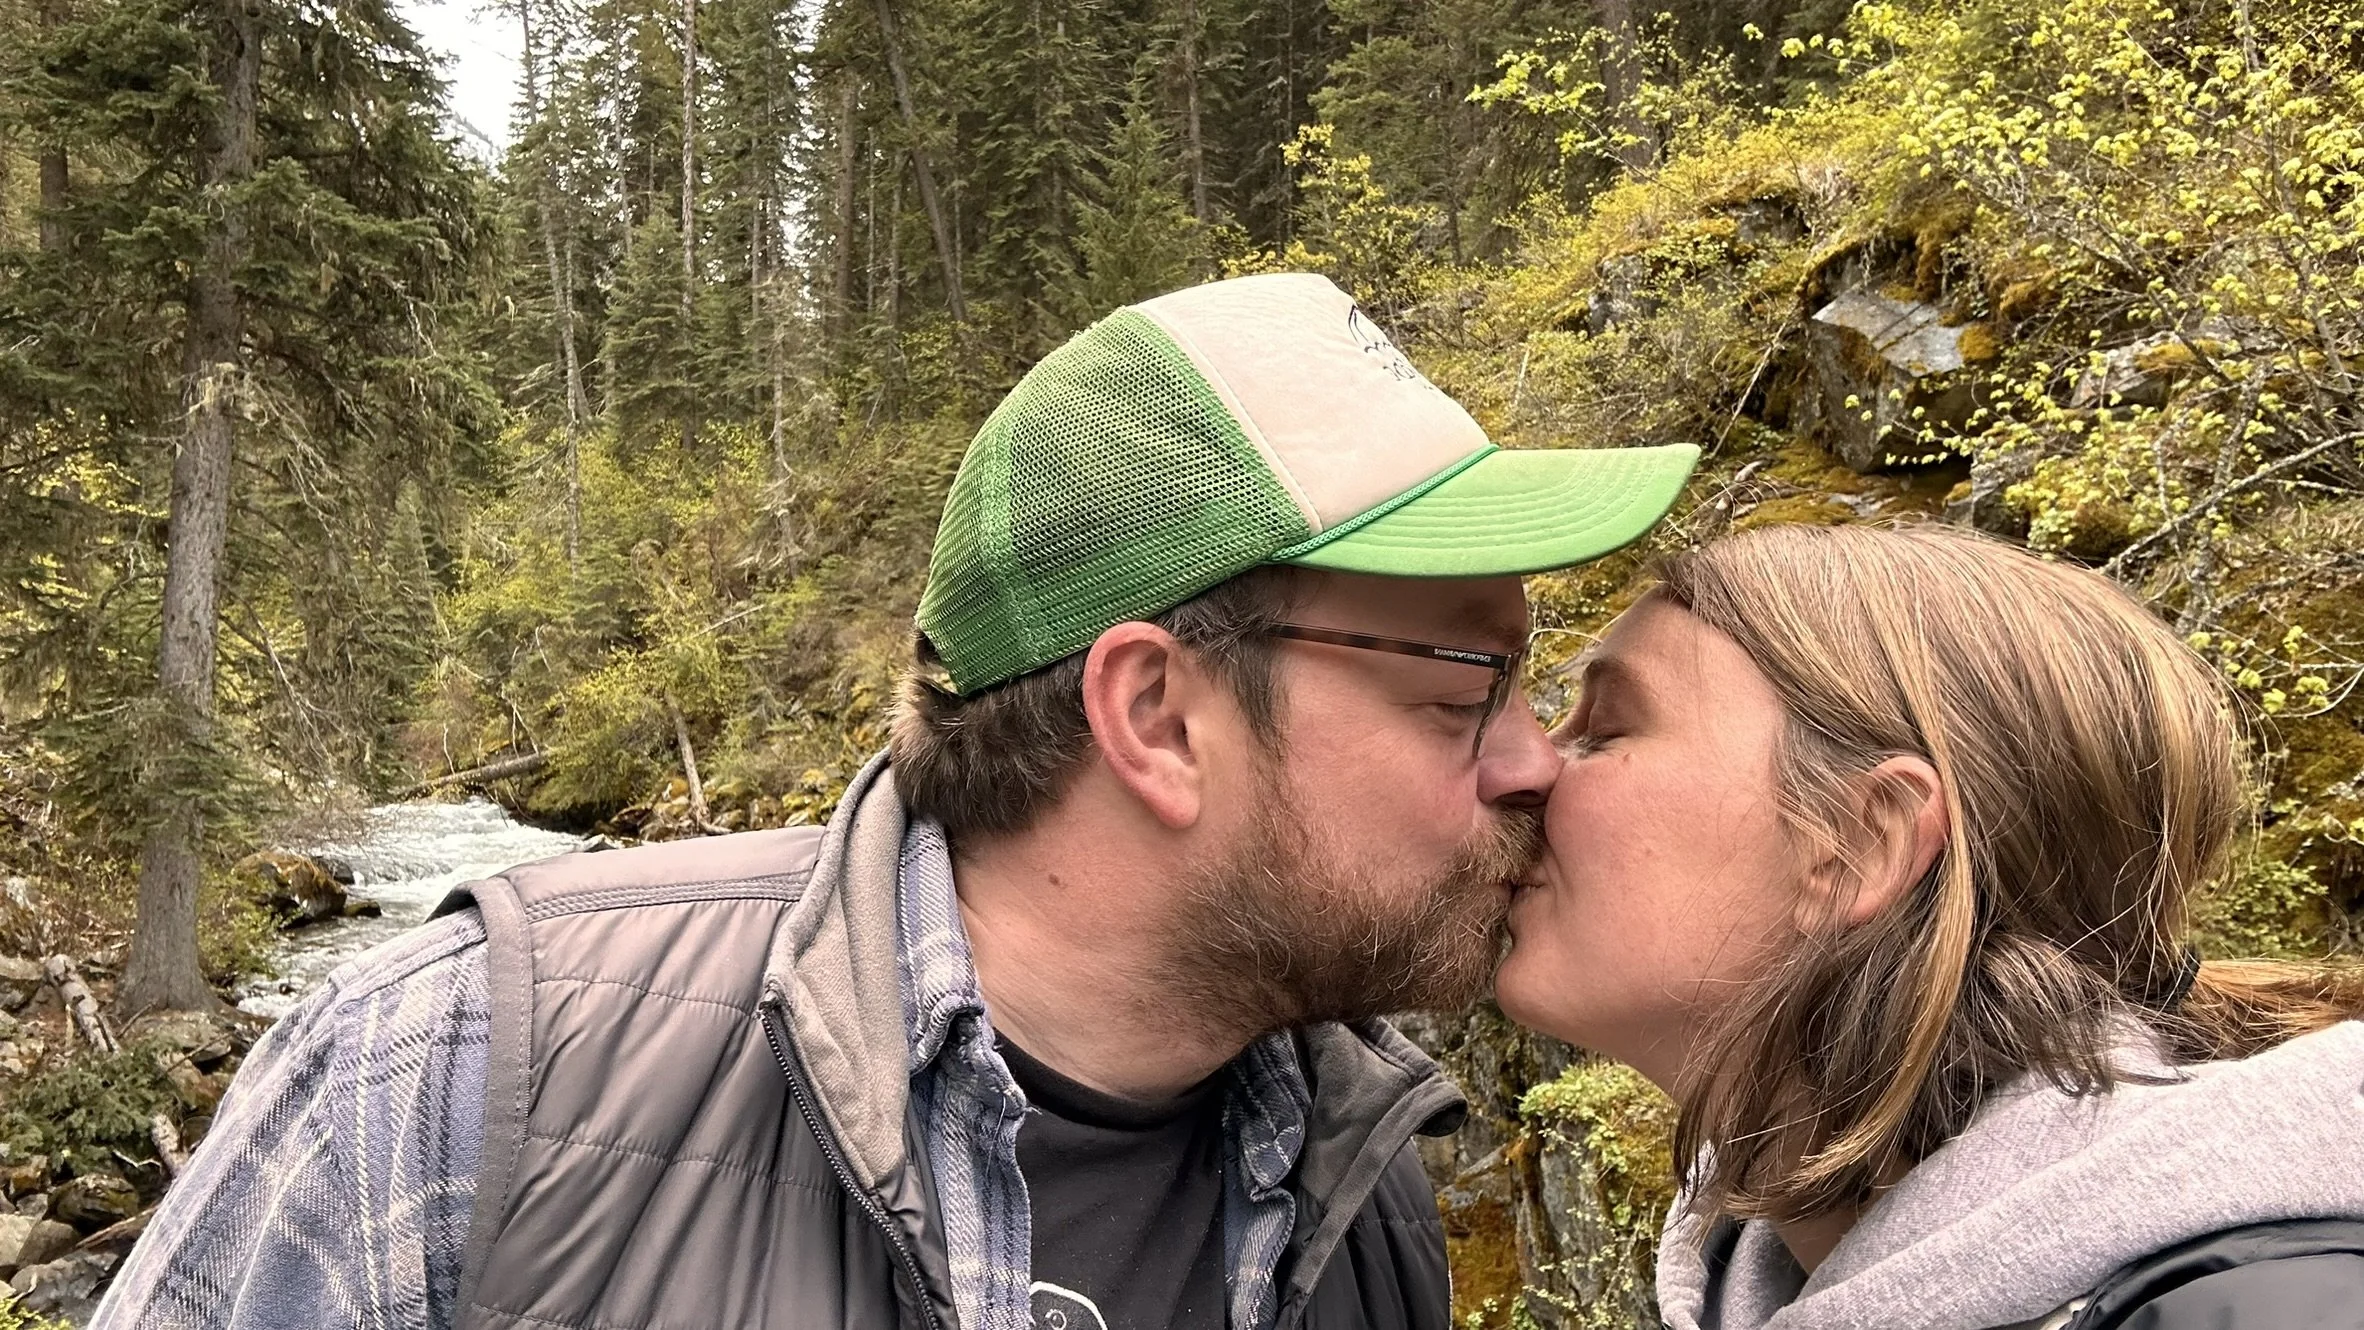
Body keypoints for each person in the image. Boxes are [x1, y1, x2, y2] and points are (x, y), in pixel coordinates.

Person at [93, 272, 1699, 1330]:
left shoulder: (1365, 1197)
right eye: (1464, 684)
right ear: (1157, 716)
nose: (1532, 758)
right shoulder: (460, 1079)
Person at [1497, 521, 2364, 1330]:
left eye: (1603, 727)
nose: (1530, 767)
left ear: (1856, 844)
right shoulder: (1769, 1272)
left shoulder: (2270, 1307)